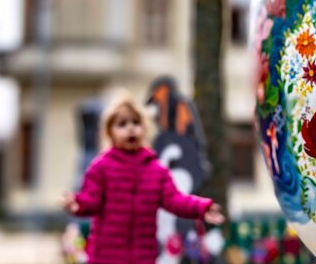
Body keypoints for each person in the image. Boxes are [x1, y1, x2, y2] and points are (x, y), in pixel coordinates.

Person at [61, 93, 225, 264]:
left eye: (136, 122)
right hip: (106, 257)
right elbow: (91, 200)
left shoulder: (156, 170)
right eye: (122, 124)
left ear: (144, 129)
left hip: (143, 257)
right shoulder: (101, 168)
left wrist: (201, 207)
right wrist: (78, 204)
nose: (131, 128)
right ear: (110, 132)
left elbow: (175, 199)